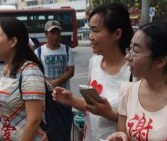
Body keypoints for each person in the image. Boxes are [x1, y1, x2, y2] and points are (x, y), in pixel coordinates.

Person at [52, 3, 133, 141]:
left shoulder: (133, 71)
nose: (90, 36)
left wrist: (111, 115)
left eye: (95, 30)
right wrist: (71, 100)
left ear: (117, 34)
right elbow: (92, 105)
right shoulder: (94, 62)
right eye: (90, 30)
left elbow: (140, 122)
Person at [34, 20, 75, 141]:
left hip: (65, 96)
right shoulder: (38, 52)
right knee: (51, 128)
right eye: (52, 33)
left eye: (58, 32)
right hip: (47, 99)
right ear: (46, 34)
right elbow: (38, 72)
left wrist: (55, 82)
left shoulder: (67, 50)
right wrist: (48, 82)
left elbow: (70, 71)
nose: (55, 36)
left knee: (65, 126)